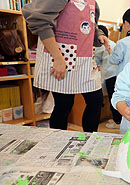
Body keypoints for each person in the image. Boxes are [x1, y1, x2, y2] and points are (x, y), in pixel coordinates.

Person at [22, 0, 110, 132]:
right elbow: (38, 19)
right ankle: (57, 142)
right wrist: (57, 58)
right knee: (64, 104)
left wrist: (99, 35)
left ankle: (89, 139)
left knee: (96, 100)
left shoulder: (92, 2)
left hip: (84, 58)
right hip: (61, 55)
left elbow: (91, 24)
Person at [95, 25, 122, 129]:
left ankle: (117, 121)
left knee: (113, 98)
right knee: (117, 97)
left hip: (110, 75)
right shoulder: (113, 43)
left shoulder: (100, 46)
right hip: (117, 73)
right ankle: (117, 119)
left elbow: (97, 61)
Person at [109, 8, 130, 74]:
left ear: (126, 24)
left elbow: (114, 60)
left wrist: (109, 51)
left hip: (124, 80)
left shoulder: (122, 43)